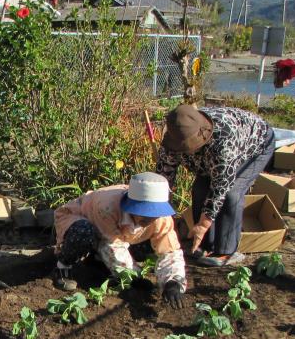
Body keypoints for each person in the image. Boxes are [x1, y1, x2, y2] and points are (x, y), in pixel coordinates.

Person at [157, 105, 275, 267]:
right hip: (214, 158)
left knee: (231, 193)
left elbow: (220, 187)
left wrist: (203, 224)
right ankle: (204, 244)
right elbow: (164, 178)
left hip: (255, 146)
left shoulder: (223, 141)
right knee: (199, 189)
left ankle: (227, 251)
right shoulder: (173, 139)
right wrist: (165, 219)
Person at [51, 172, 188, 308]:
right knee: (84, 232)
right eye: (144, 214)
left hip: (118, 233)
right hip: (78, 218)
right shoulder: (107, 207)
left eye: (154, 215)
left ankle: (96, 260)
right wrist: (134, 277)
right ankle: (63, 267)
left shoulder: (162, 219)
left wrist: (172, 282)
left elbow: (170, 251)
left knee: (146, 248)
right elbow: (111, 246)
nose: (149, 219)